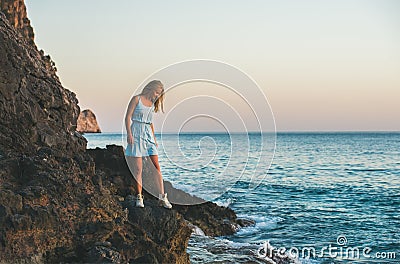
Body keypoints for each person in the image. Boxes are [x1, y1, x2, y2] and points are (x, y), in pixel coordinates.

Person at [124, 80, 172, 209]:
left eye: (159, 94)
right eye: (156, 92)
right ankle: (139, 197)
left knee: (157, 167)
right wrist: (129, 134)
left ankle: (162, 197)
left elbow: (150, 123)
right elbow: (127, 117)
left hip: (148, 136)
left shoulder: (152, 104)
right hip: (136, 133)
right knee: (138, 169)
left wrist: (154, 138)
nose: (157, 95)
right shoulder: (136, 99)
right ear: (150, 89)